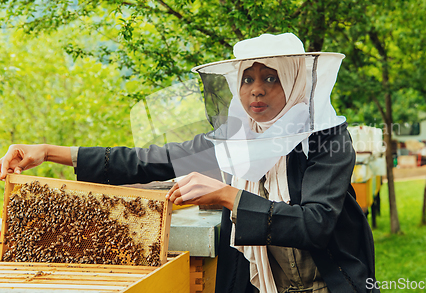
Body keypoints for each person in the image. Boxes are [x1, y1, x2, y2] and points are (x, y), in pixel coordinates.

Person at [0, 33, 378, 293]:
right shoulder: (235, 138)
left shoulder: (326, 138)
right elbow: (148, 162)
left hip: (330, 282)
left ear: (295, 82)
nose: (256, 89)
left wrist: (230, 196)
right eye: (247, 79)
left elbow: (316, 224)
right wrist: (48, 152)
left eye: (271, 78)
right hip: (262, 284)